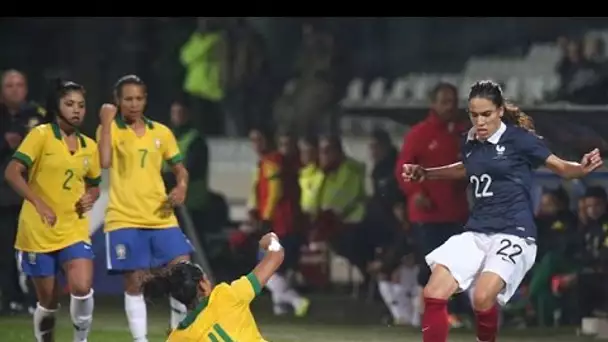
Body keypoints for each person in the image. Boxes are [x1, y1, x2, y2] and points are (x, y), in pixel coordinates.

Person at [401, 80, 603, 342]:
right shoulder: (470, 140)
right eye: (474, 115)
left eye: (486, 114)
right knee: (433, 292)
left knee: (483, 298)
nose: (480, 121)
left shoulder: (519, 140)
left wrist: (582, 167)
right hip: (477, 231)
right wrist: (427, 173)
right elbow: (467, 167)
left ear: (498, 111)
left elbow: (562, 168)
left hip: (513, 232)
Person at [4, 79, 101, 342]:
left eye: (81, 105)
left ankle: (80, 341)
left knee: (82, 287)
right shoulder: (41, 135)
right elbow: (12, 172)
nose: (76, 110)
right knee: (48, 301)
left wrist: (90, 197)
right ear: (57, 106)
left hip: (74, 228)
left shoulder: (89, 146)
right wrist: (38, 202)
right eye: (69, 104)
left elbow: (94, 184)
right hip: (38, 231)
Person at [97, 75, 192, 342]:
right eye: (128, 99)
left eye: (139, 98)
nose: (134, 104)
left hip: (161, 217)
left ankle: (177, 335)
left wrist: (182, 186)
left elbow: (180, 168)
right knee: (135, 283)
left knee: (184, 275)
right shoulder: (111, 129)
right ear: (118, 101)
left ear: (146, 100)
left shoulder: (161, 132)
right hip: (124, 218)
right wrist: (105, 123)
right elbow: (104, 162)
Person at [395, 82, 470, 326]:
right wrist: (416, 192)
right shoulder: (419, 134)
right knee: (433, 265)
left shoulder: (463, 135)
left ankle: (447, 313)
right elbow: (403, 169)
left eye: (453, 101)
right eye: (444, 101)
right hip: (427, 215)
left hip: (455, 212)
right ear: (433, 104)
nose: (450, 106)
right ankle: (429, 313)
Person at [144, 232, 284, 341]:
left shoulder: (177, 338)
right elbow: (276, 255)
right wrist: (271, 239)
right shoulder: (227, 296)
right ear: (203, 285)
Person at [246, 126, 309, 317]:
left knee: (264, 268)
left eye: (259, 140)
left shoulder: (273, 162)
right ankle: (281, 309)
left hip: (280, 223)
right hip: (292, 223)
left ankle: (296, 301)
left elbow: (275, 191)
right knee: (279, 269)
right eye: (253, 140)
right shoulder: (284, 162)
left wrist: (266, 217)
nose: (256, 145)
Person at [0, 69, 47, 314]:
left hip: (32, 194)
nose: (15, 89)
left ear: (26, 88)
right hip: (3, 197)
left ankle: (36, 298)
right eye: (9, 85)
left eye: (19, 84)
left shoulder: (37, 116)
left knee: (34, 249)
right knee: (5, 252)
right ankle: (10, 299)